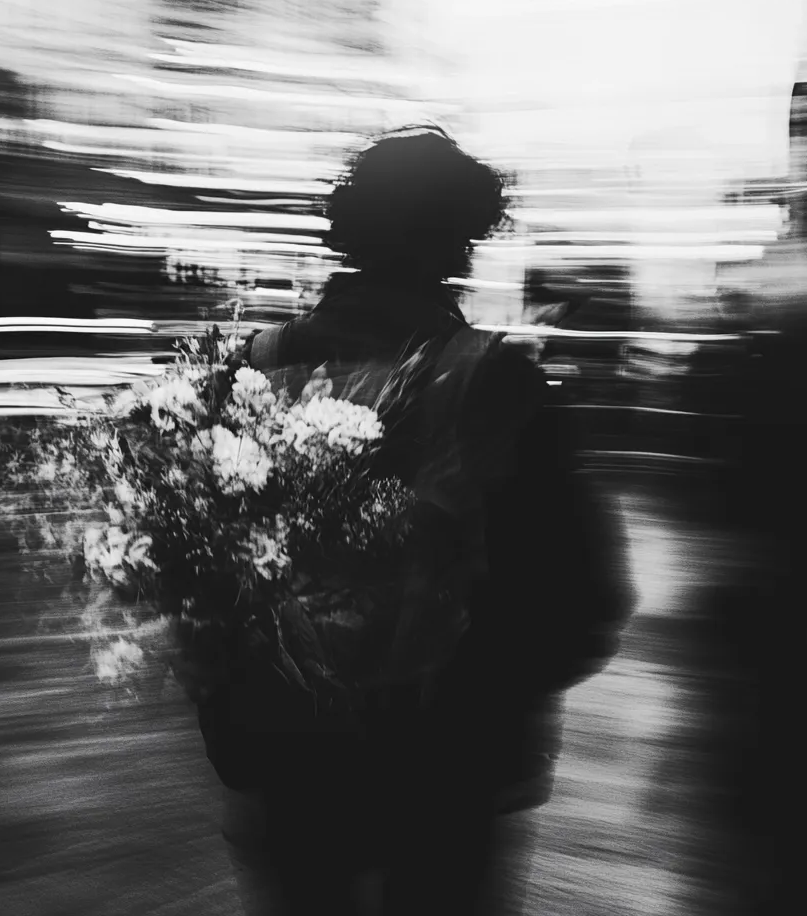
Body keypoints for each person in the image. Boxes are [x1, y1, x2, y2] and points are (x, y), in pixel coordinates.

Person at [197, 126, 636, 915]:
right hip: (449, 762)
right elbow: (580, 590)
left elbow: (196, 568)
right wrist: (496, 696)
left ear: (346, 230)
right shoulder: (498, 382)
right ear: (462, 245)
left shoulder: (251, 370)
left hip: (289, 752)